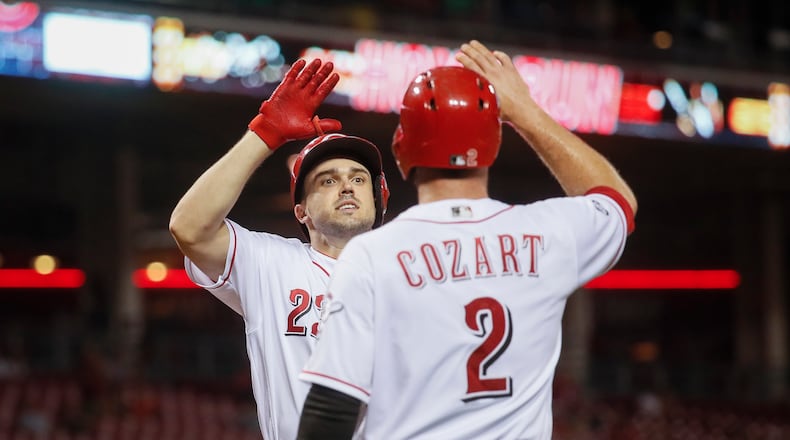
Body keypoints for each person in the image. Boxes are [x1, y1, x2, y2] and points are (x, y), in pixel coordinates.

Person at [296, 40, 638, 439]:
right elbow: (617, 201)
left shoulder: (372, 255)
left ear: (401, 149)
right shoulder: (549, 233)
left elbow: (331, 408)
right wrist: (525, 113)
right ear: (493, 145)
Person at [168, 58, 389, 439]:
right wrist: (266, 132)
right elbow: (189, 228)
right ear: (300, 210)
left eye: (358, 178)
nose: (347, 186)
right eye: (328, 181)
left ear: (379, 199)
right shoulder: (273, 263)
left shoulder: (413, 271)